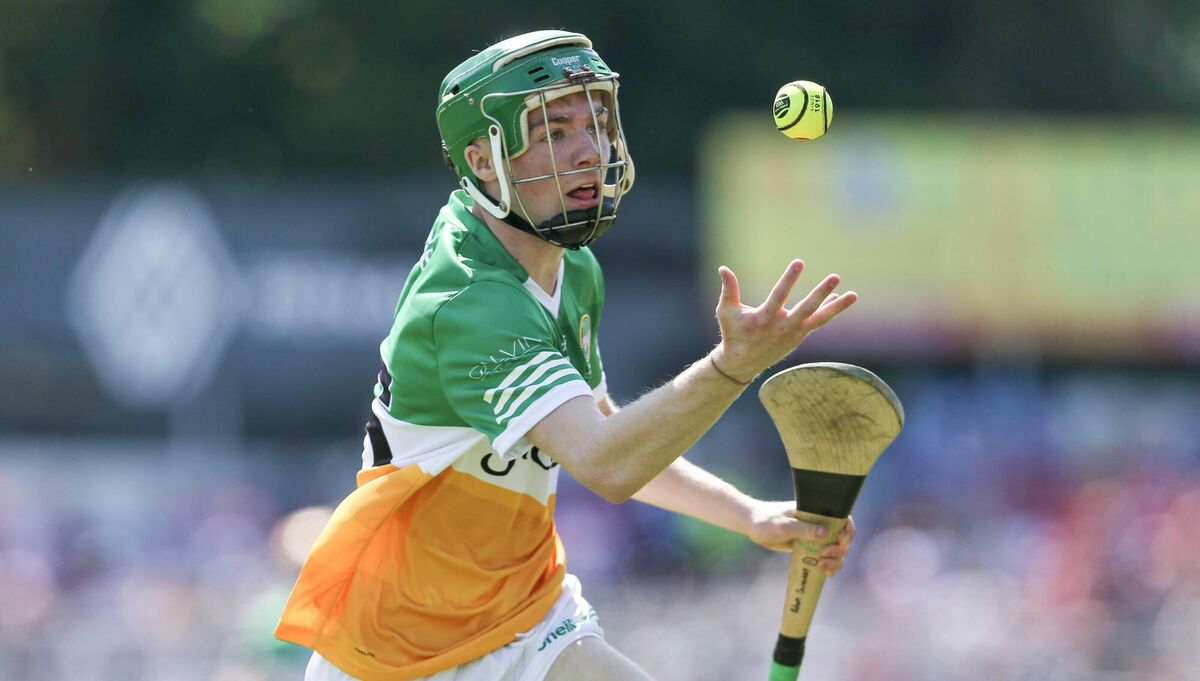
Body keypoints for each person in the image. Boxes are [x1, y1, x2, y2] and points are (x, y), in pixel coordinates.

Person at [276, 29, 859, 681]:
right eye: (554, 132)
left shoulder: (570, 267)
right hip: (399, 652)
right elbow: (606, 464)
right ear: (483, 160)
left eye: (595, 124)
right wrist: (732, 366)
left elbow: (610, 433)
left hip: (527, 615)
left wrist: (747, 514)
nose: (589, 151)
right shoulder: (469, 305)